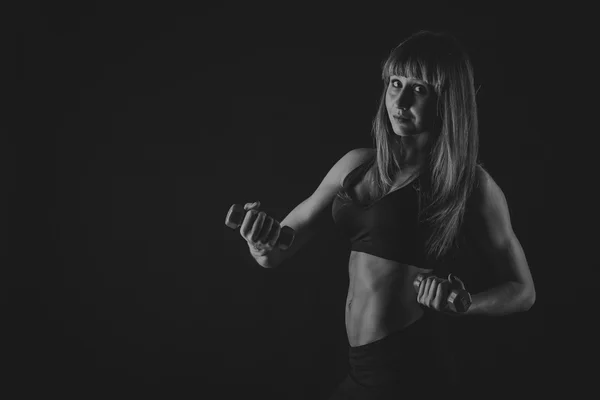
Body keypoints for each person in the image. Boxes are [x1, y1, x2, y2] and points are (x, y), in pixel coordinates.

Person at [236, 30, 536, 399]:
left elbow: (523, 291)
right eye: (396, 83)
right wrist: (259, 238)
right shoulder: (356, 165)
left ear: (447, 100)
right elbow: (278, 249)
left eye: (420, 89)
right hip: (361, 366)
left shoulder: (469, 184)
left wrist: (465, 303)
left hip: (410, 365)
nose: (400, 99)